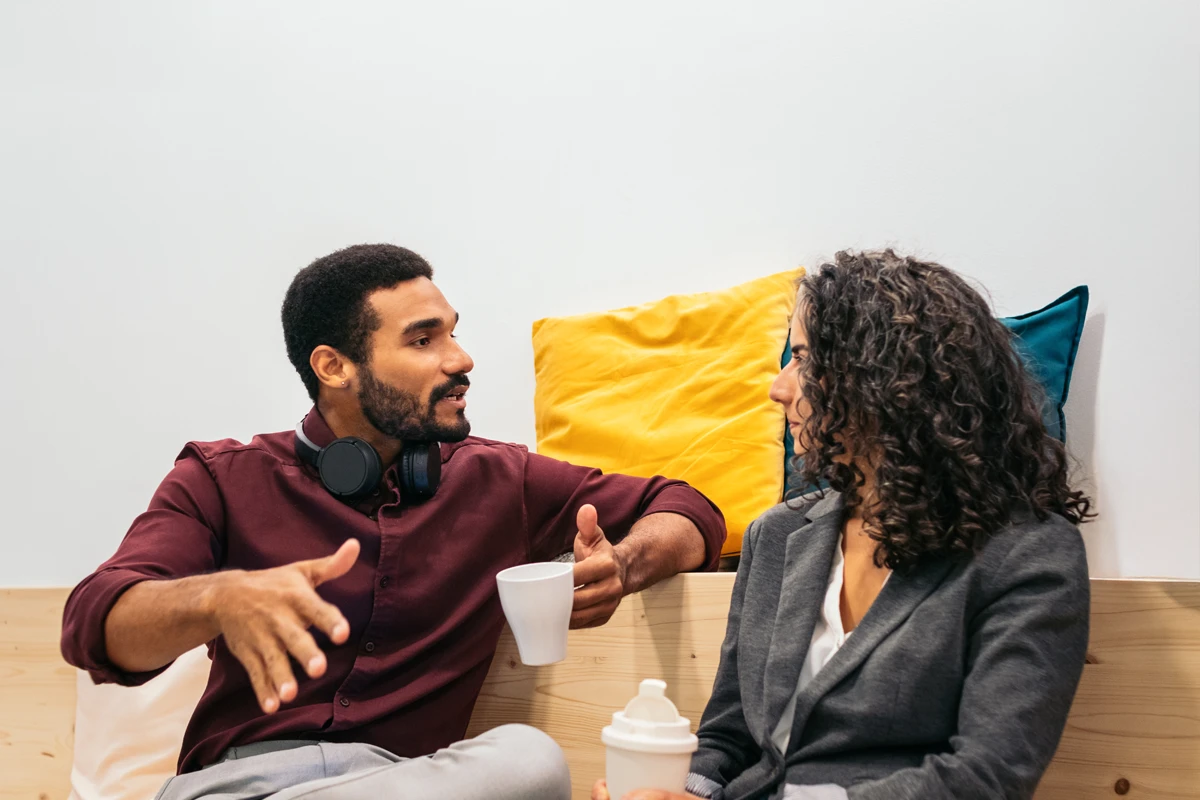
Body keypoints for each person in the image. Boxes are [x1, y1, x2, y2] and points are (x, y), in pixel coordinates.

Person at [61, 244, 726, 800]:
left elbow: (691, 510)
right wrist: (217, 597)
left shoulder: (501, 479)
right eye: (423, 339)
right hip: (236, 785)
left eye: (453, 331)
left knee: (531, 760)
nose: (460, 358)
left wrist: (625, 564)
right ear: (334, 367)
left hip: (408, 783)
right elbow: (95, 624)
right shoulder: (220, 478)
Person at [594, 250, 1093, 800]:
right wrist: (684, 792)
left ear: (885, 379)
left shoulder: (1030, 555)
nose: (779, 389)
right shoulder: (778, 534)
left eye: (803, 359)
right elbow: (728, 734)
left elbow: (986, 778)